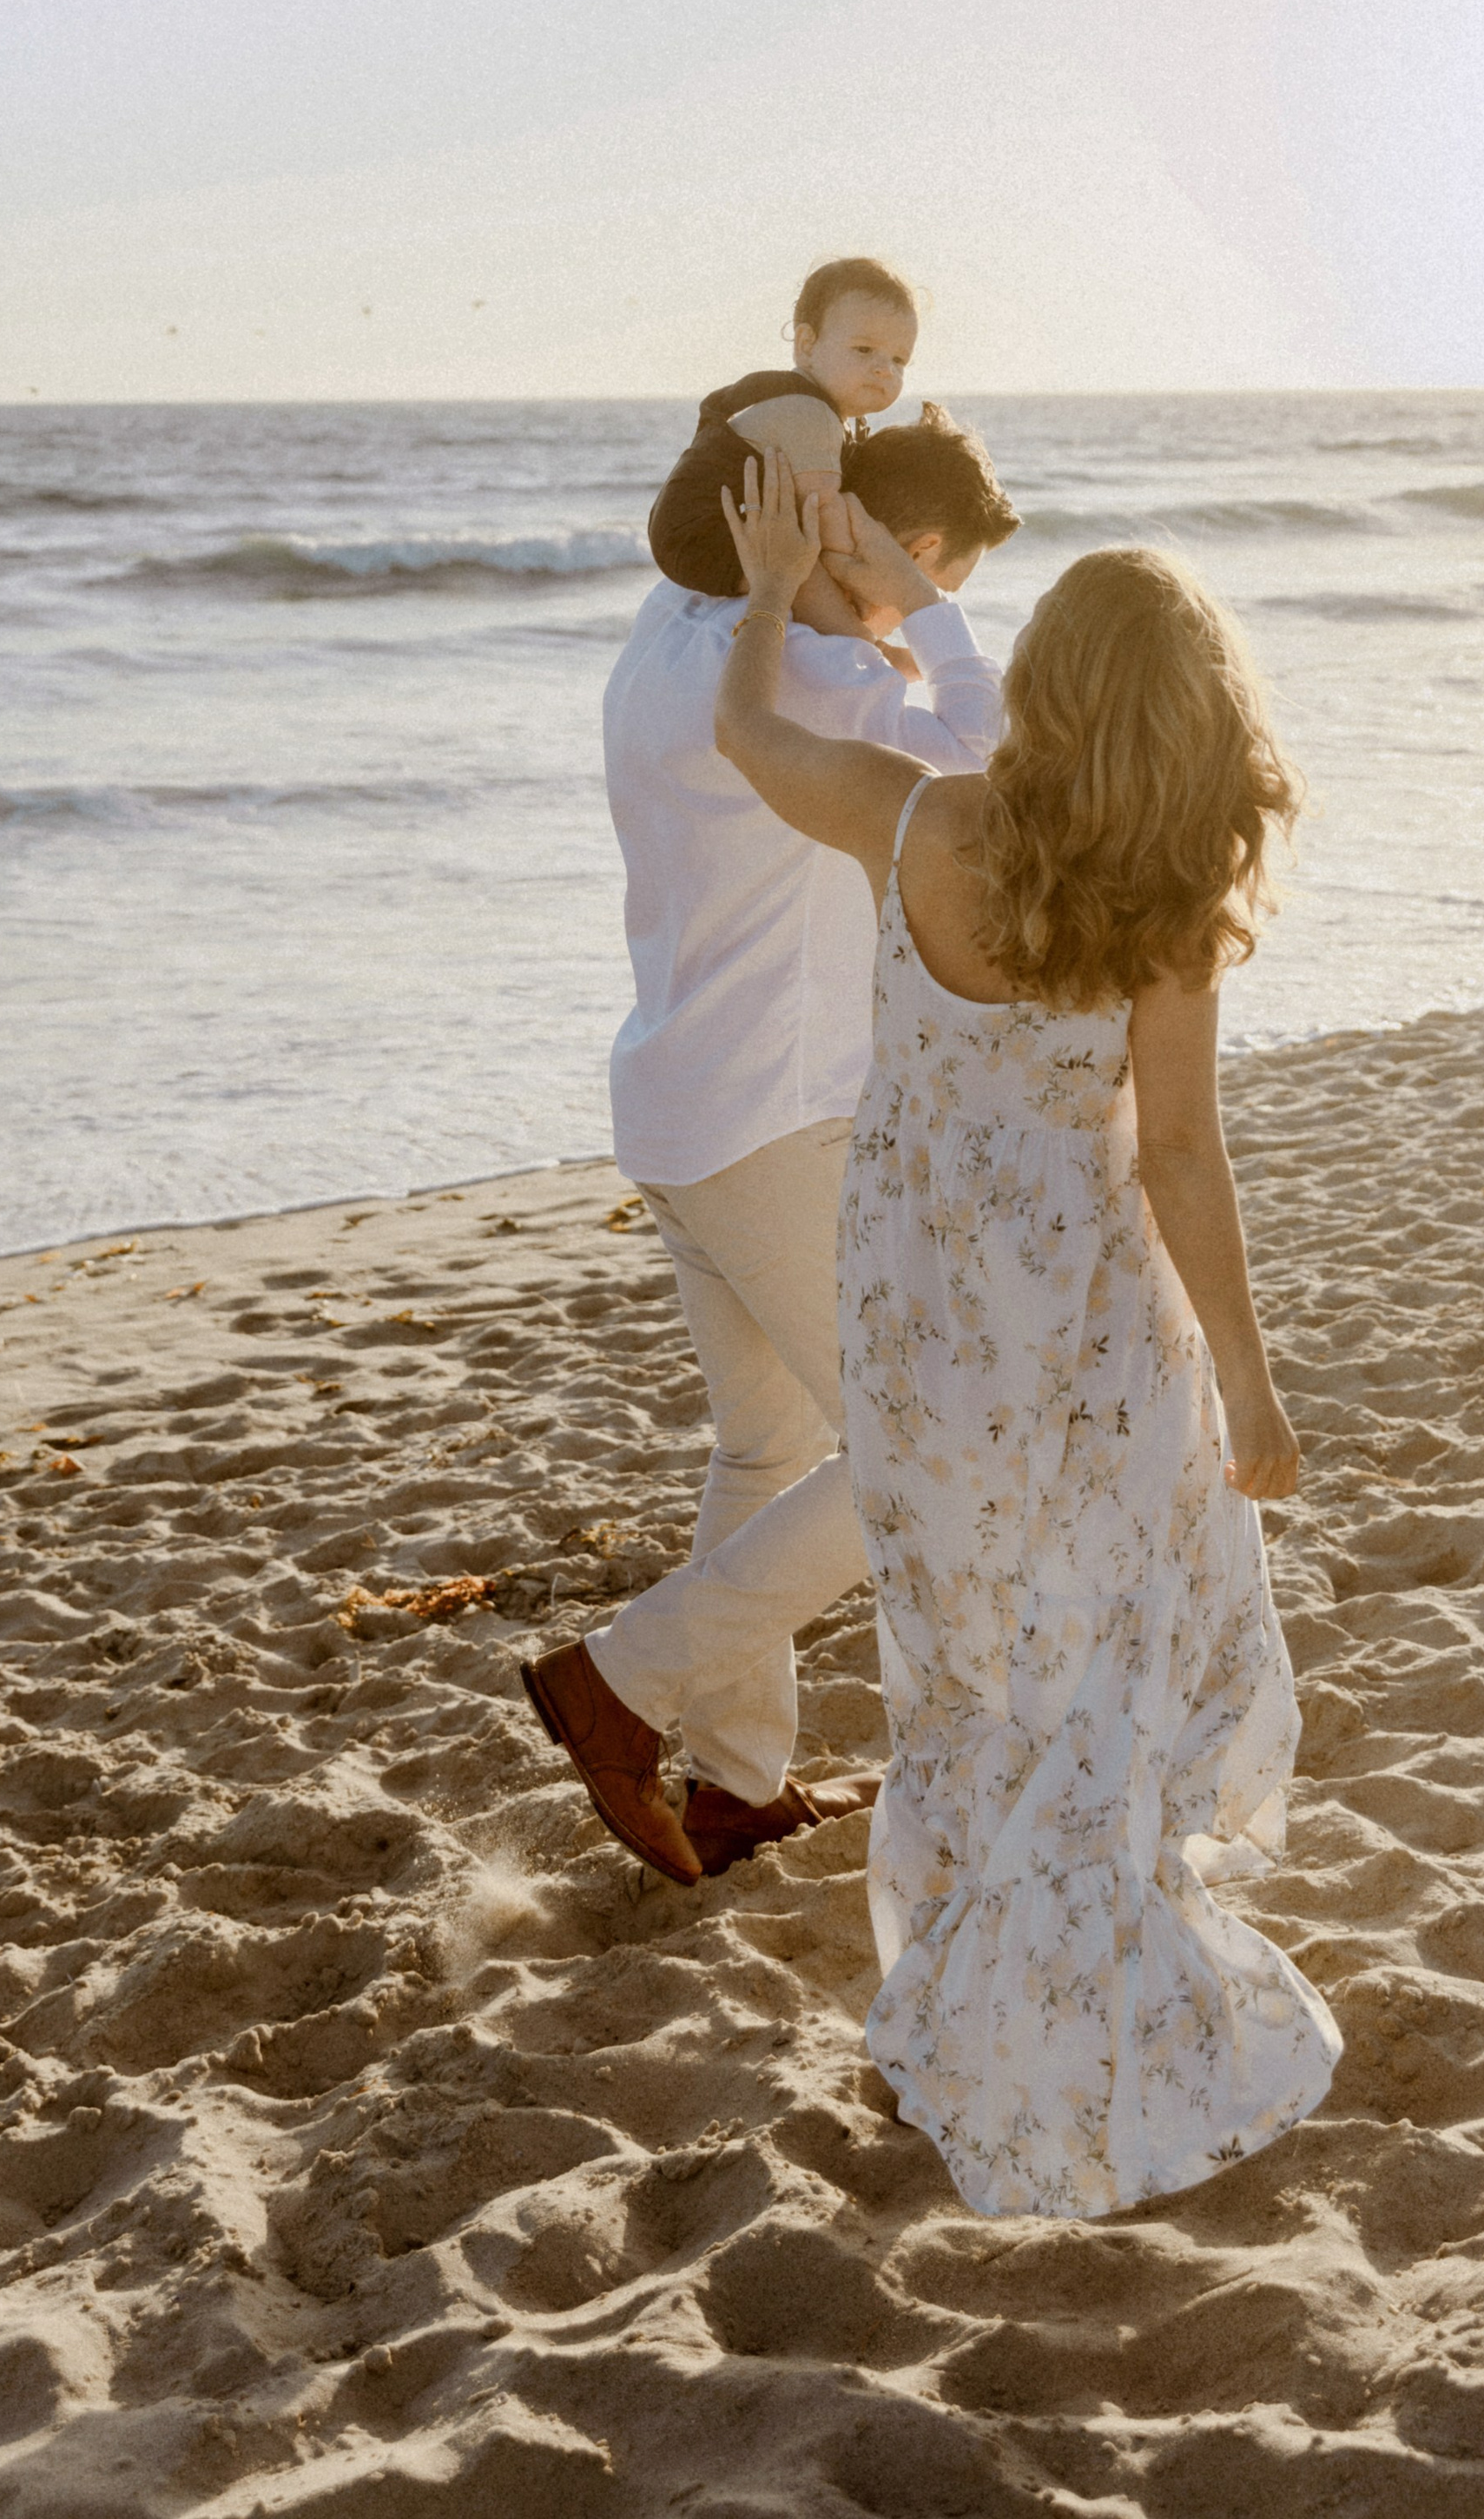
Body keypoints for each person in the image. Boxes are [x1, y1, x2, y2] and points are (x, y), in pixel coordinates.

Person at [704, 452, 1342, 2218]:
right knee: (1094, 1643)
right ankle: (1081, 1958)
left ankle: (977, 1983)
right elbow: (1184, 1153)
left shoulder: (918, 821)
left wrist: (768, 589)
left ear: (1050, 686)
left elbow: (748, 732)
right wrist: (1242, 1371)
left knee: (960, 1653)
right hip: (1085, 1313)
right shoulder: (1160, 899)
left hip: (917, 1308)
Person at [522, 406, 1023, 1885]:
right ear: (902, 548)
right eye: (940, 571)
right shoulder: (836, 682)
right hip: (777, 1119)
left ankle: (739, 1781)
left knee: (767, 1446)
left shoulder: (670, 632)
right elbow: (990, 760)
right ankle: (617, 1682)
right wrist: (922, 603)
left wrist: (808, 505)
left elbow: (750, 491)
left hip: (673, 1105)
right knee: (927, 1442)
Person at [646, 254, 920, 622]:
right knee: (799, 566)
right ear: (807, 344)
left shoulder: (795, 401)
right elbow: (822, 513)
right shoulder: (810, 414)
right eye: (864, 349)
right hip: (706, 540)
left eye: (900, 360)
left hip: (686, 535)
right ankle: (859, 642)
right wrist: (861, 582)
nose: (884, 369)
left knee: (797, 557)